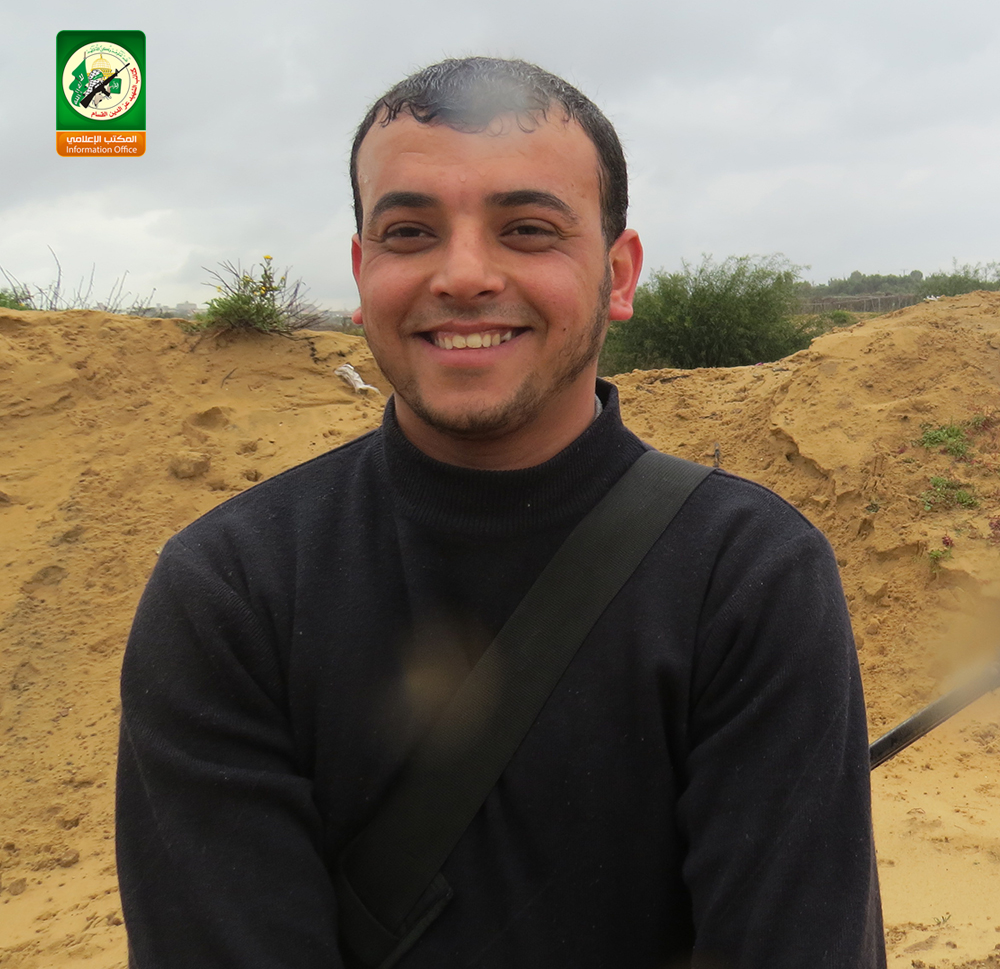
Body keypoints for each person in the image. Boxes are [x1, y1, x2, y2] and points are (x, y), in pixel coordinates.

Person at [116, 57, 885, 968]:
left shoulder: (749, 578)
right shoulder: (229, 592)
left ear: (619, 274)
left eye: (527, 229)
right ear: (362, 272)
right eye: (409, 232)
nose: (464, 275)